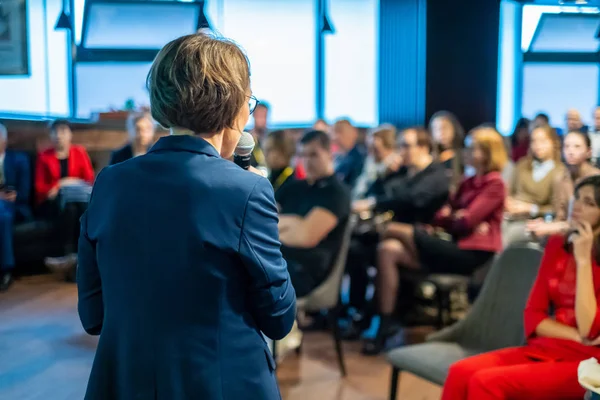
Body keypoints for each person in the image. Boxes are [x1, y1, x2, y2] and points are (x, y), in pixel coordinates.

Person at [77, 33, 296, 400]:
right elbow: (279, 318)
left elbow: (93, 315)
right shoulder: (246, 191)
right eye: (248, 99)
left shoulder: (110, 183)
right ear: (233, 106)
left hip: (125, 382)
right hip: (222, 385)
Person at [441, 175, 600, 400]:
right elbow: (533, 316)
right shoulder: (557, 244)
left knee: (486, 383)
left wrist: (583, 259)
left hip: (590, 364)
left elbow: (590, 329)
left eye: (590, 203)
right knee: (459, 373)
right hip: (549, 347)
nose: (578, 206)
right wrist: (575, 335)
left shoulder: (588, 257)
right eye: (578, 198)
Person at [365, 126, 507, 355]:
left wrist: (456, 217)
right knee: (387, 249)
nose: (468, 152)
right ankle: (385, 322)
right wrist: (455, 217)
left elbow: (465, 221)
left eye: (474, 148)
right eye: (468, 147)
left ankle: (376, 314)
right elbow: (442, 216)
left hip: (470, 254)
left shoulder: (495, 184)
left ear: (489, 152)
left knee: (391, 229)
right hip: (450, 244)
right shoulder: (469, 181)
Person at [276, 130, 351, 297]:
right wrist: (295, 221)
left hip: (307, 271)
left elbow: (305, 237)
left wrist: (277, 226)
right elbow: (261, 220)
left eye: (313, 155)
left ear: (330, 154)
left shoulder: (337, 193)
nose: (307, 161)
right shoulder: (294, 187)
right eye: (303, 155)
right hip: (281, 261)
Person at [36, 120, 95, 272]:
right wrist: (59, 185)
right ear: (51, 135)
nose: (59, 136)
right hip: (52, 202)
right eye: (55, 132)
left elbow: (89, 180)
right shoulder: (44, 157)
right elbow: (40, 188)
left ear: (70, 134)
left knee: (77, 207)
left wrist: (65, 182)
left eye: (63, 131)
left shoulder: (79, 152)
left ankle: (71, 257)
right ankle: (76, 256)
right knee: (71, 208)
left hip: (78, 199)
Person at [528, 130, 600, 239]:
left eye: (577, 147)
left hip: (591, 235)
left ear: (588, 151)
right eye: (567, 146)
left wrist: (554, 227)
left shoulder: (596, 179)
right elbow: (560, 216)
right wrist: (547, 225)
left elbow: (591, 221)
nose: (571, 151)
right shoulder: (560, 178)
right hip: (566, 232)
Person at [504, 124, 564, 245]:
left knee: (506, 236)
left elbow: (556, 209)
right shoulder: (522, 164)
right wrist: (508, 202)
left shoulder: (559, 172)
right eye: (534, 141)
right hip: (511, 216)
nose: (537, 145)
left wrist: (531, 209)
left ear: (553, 143)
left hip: (535, 221)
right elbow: (509, 192)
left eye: (542, 141)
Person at [0, 123, 32, 291]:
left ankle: (6, 270)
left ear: (4, 140)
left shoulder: (19, 159)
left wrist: (16, 195)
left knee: (2, 213)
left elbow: (25, 191)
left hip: (15, 206)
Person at [332, 119, 366, 188]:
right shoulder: (336, 157)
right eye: (335, 132)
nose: (335, 137)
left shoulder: (359, 158)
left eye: (340, 132)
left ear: (353, 133)